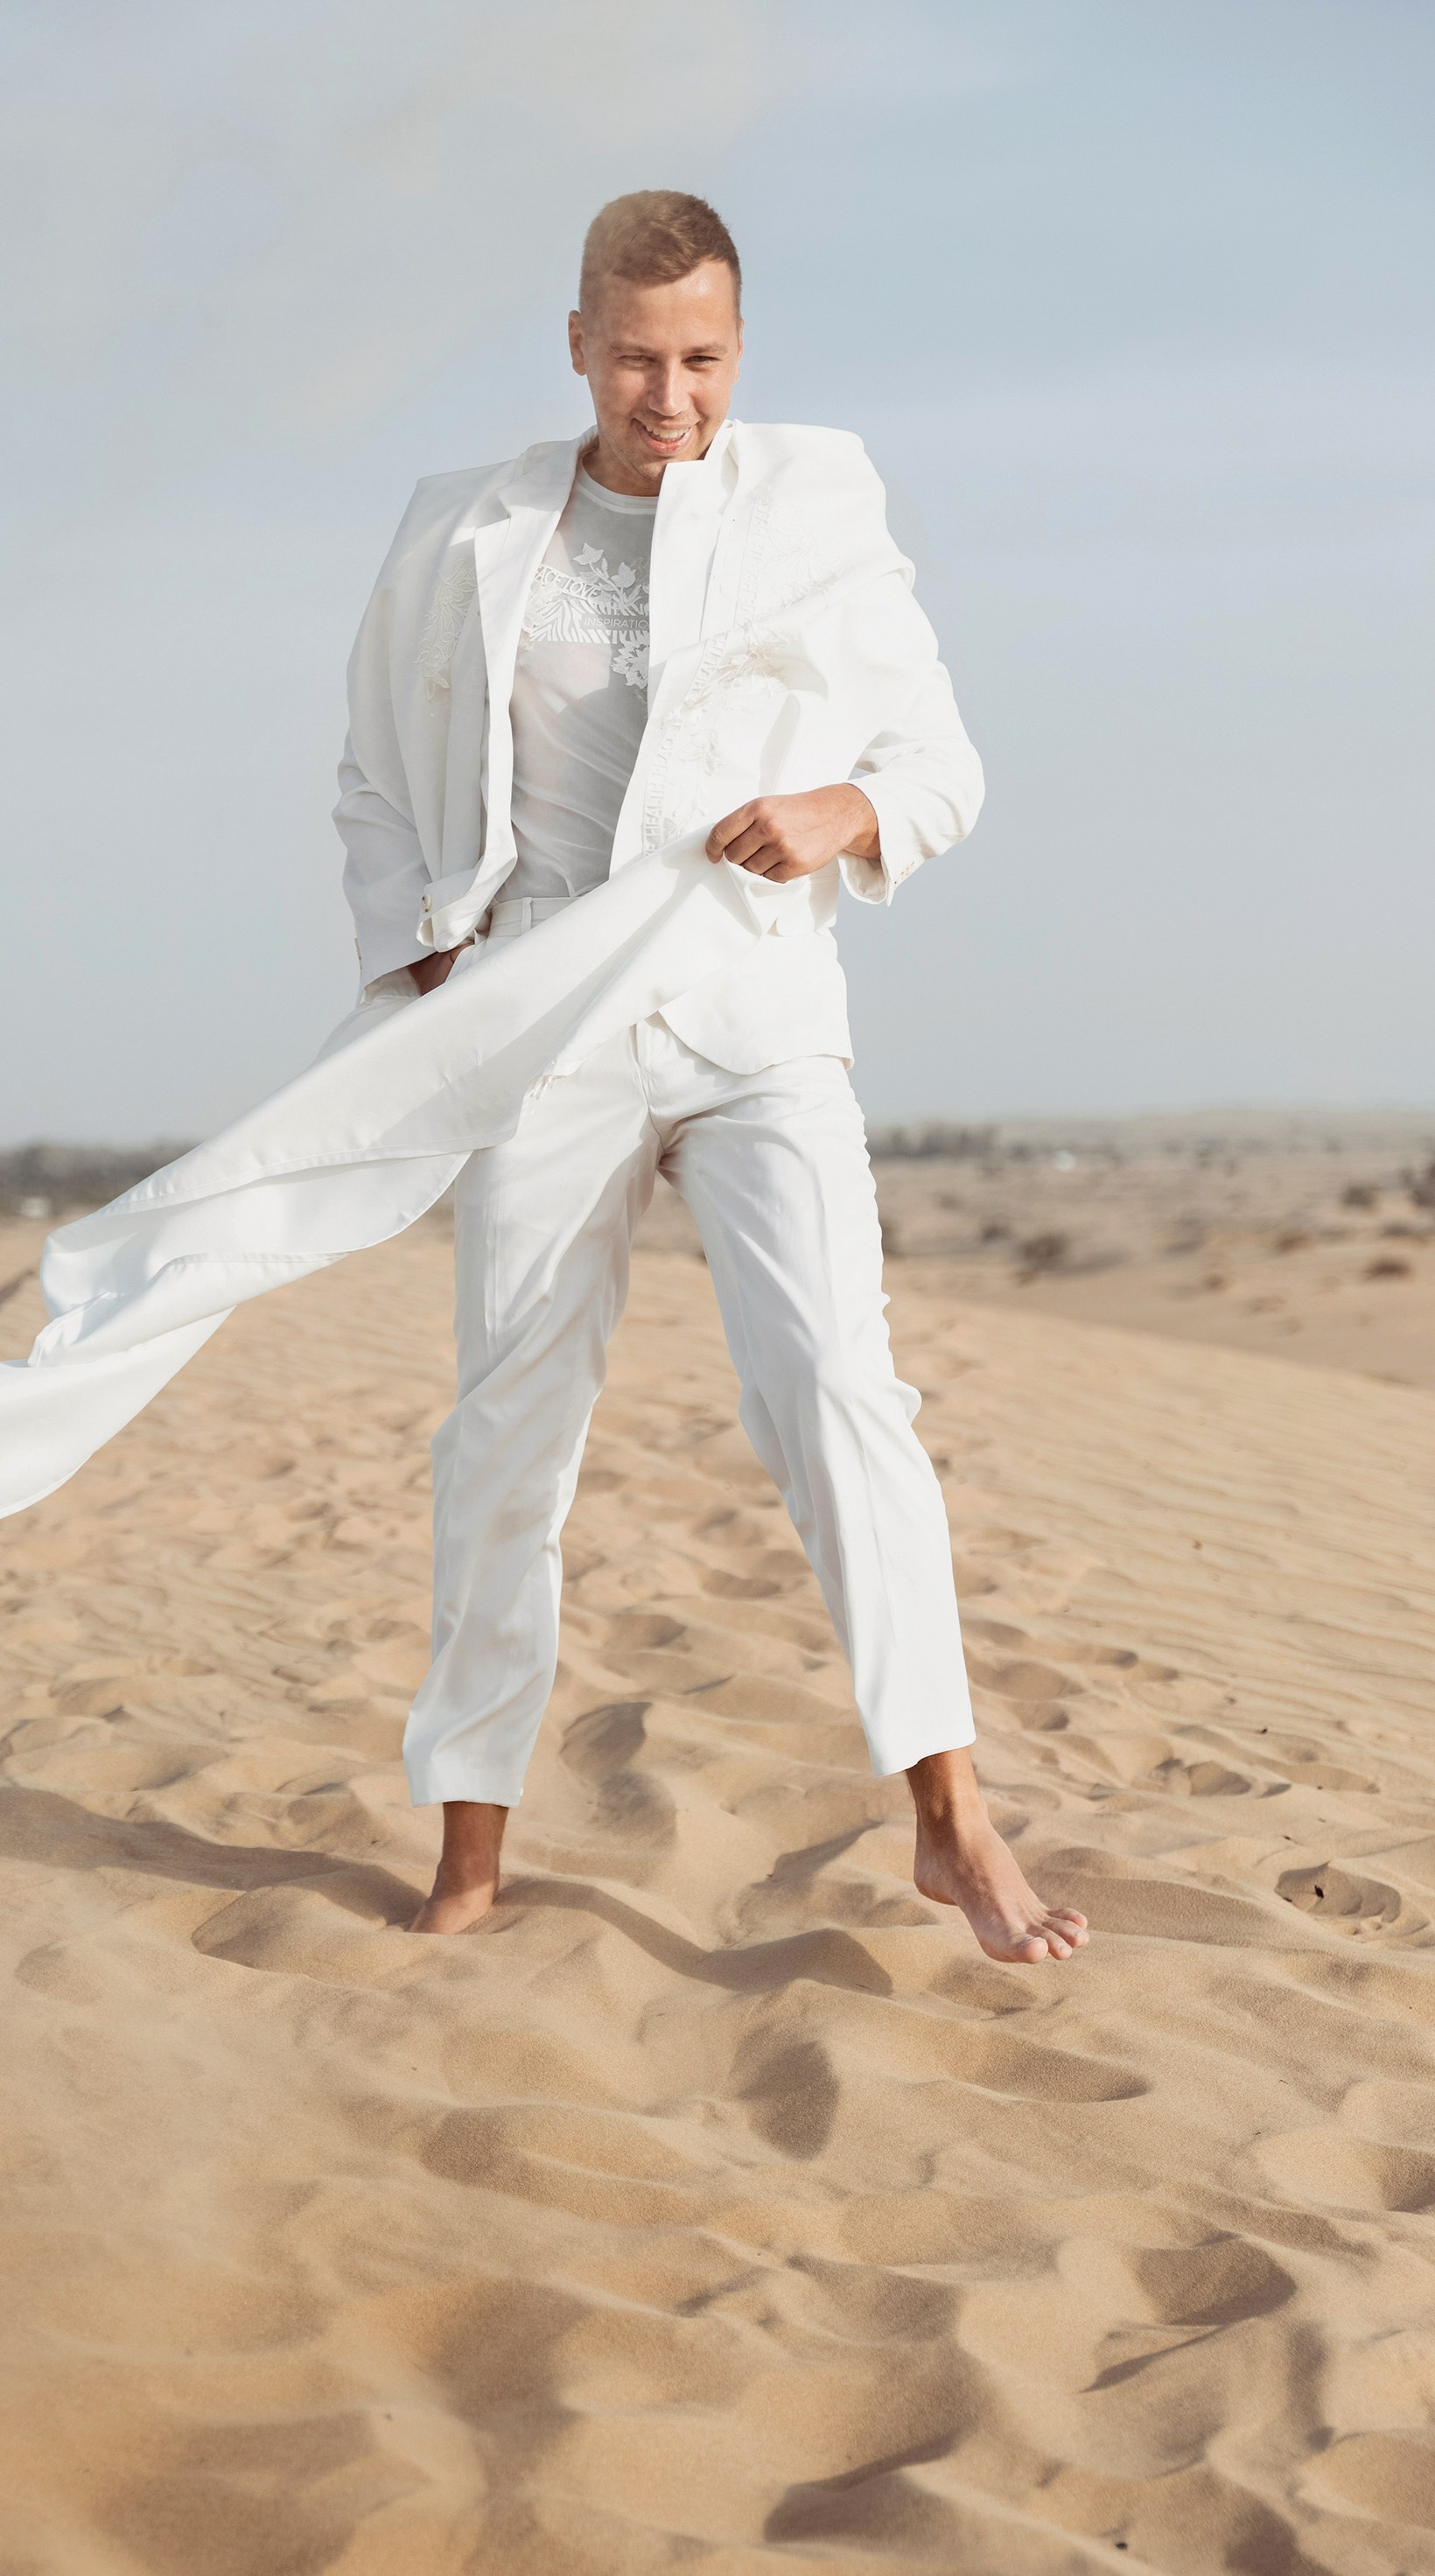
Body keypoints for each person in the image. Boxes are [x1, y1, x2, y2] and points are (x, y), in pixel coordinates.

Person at [334, 191, 1089, 1964]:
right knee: (505, 1429)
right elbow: (372, 774)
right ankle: (468, 1849)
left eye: (703, 361)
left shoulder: (817, 498)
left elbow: (940, 762)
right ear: (575, 343)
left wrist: (851, 810)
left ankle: (950, 1818)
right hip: (542, 1017)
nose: (668, 398)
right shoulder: (464, 527)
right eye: (634, 359)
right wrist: (428, 949)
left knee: (838, 1388)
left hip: (754, 1008)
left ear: (737, 352)